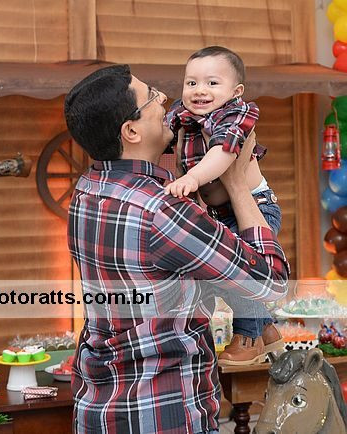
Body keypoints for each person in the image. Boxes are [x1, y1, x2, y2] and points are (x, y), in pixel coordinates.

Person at [64, 64, 288, 434]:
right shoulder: (161, 211)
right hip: (163, 413)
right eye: (152, 96)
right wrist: (237, 183)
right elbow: (270, 282)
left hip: (99, 409)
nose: (164, 98)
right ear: (131, 130)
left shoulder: (87, 191)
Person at [164, 46, 283, 365]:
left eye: (212, 83)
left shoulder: (236, 115)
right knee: (218, 272)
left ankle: (248, 336)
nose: (200, 90)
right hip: (220, 212)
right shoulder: (182, 113)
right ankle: (267, 329)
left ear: (236, 92)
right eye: (191, 83)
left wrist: (192, 177)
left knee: (244, 274)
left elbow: (224, 152)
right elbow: (163, 138)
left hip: (256, 207)